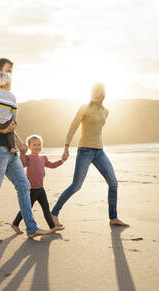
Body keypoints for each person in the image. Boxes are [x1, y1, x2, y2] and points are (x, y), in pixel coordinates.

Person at [0, 58, 51, 243]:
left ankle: (31, 228)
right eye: (8, 70)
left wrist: (20, 141)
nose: (11, 75)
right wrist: (2, 131)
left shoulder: (5, 95)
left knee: (24, 186)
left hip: (11, 150)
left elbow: (9, 124)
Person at [51, 83, 129, 227]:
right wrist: (66, 147)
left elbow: (97, 130)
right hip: (85, 151)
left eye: (96, 92)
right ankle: (54, 213)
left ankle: (113, 218)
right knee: (76, 186)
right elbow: (73, 126)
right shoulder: (84, 108)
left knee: (113, 183)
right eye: (92, 91)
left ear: (102, 94)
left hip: (99, 151)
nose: (93, 94)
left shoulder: (106, 111)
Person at [11, 135, 66, 234]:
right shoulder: (28, 158)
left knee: (46, 208)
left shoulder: (43, 158)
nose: (37, 147)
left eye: (39, 145)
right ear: (29, 146)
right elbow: (22, 164)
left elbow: (52, 165)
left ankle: (52, 227)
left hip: (41, 189)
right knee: (27, 208)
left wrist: (62, 160)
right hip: (31, 189)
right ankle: (15, 224)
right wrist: (22, 153)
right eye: (34, 145)